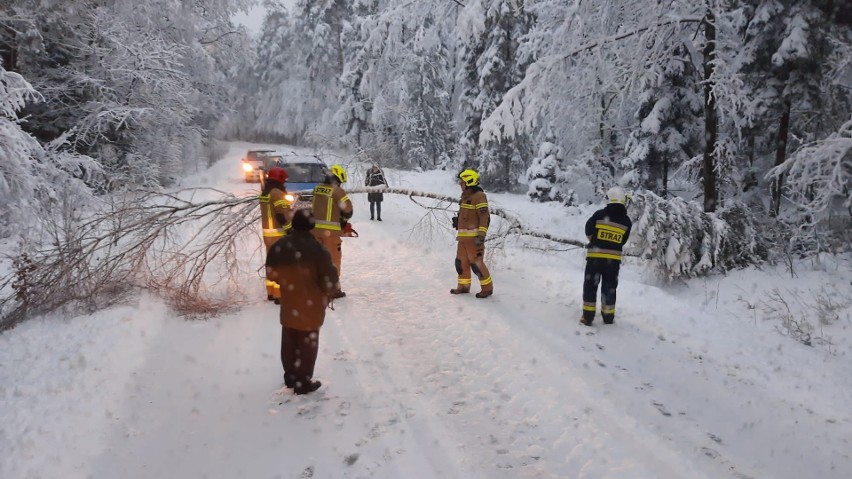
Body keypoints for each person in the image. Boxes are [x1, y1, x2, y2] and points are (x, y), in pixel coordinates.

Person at [265, 209, 340, 395]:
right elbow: (330, 281)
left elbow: (271, 272)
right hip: (311, 304)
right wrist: (328, 291)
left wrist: (286, 281)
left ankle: (290, 376)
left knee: (289, 337)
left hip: (289, 300)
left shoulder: (280, 245)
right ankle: (303, 382)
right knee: (307, 342)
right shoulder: (318, 250)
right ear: (311, 226)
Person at [580, 186, 632, 326]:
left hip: (594, 259)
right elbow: (623, 240)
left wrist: (597, 242)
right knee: (609, 288)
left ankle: (588, 317)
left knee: (590, 286)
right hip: (613, 262)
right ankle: (608, 317)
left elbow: (588, 231)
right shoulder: (626, 221)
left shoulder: (598, 215)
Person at [311, 164, 353, 298]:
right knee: (333, 261)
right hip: (331, 235)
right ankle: (333, 290)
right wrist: (343, 220)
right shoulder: (337, 191)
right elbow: (348, 210)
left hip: (315, 232)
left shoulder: (317, 189)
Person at [450, 169, 494, 298]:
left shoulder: (479, 196)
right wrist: (458, 222)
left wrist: (481, 235)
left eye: (462, 181)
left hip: (474, 239)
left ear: (469, 181)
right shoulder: (465, 197)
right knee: (460, 263)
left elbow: (484, 217)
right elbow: (468, 216)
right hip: (462, 239)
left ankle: (487, 289)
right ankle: (463, 287)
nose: (460, 184)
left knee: (477, 264)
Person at [259, 167, 293, 304]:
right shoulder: (277, 194)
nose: (284, 183)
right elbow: (281, 214)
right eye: (283, 180)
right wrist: (290, 230)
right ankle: (280, 295)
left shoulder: (265, 193)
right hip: (279, 235)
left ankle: (271, 292)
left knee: (272, 264)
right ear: (279, 179)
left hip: (267, 234)